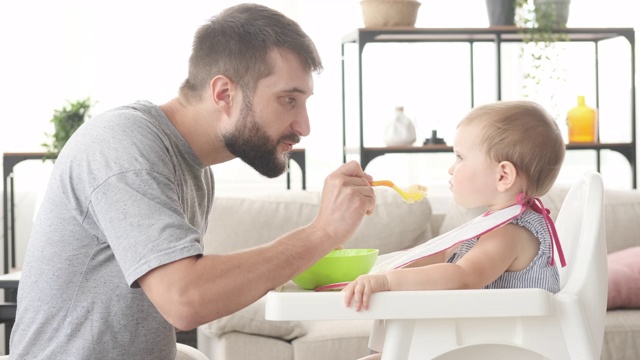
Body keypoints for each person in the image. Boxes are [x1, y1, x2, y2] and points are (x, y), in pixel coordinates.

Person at [10, 4, 376, 359]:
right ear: (223, 94)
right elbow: (184, 299)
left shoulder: (196, 171)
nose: (304, 127)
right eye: (288, 100)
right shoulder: (123, 147)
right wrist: (321, 233)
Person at [342, 100, 566, 360]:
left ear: (503, 176)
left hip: (501, 349)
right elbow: (442, 255)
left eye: (460, 157)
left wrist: (387, 282)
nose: (451, 167)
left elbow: (462, 276)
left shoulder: (511, 232)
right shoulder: (495, 223)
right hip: (479, 342)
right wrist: (388, 267)